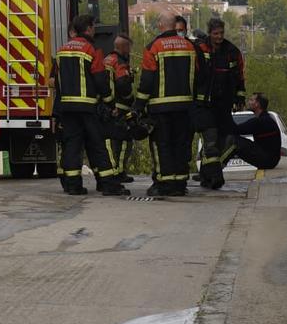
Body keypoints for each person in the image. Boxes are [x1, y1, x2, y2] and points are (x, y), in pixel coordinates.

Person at [51, 14, 128, 196]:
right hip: (87, 107)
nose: (94, 30)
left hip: (67, 108)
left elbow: (57, 83)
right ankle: (109, 184)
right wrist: (109, 103)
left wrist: (58, 110)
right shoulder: (92, 50)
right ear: (88, 28)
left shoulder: (61, 51)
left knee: (71, 145)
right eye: (93, 27)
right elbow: (100, 79)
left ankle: (72, 185)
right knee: (98, 144)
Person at [132, 12, 207, 197]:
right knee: (181, 145)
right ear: (175, 26)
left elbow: (147, 81)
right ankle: (180, 183)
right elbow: (201, 76)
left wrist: (138, 106)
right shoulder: (191, 47)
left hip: (160, 108)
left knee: (162, 145)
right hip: (186, 108)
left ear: (160, 25)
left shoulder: (153, 47)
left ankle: (164, 184)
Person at [196, 17, 246, 190]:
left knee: (225, 141)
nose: (219, 37)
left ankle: (206, 174)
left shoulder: (232, 51)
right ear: (209, 33)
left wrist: (239, 97)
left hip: (224, 103)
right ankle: (215, 176)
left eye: (221, 33)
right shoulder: (200, 48)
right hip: (205, 103)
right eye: (216, 33)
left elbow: (239, 75)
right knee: (210, 141)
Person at [103, 33, 138, 183]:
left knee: (112, 142)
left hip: (107, 108)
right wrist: (132, 100)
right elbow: (123, 85)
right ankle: (120, 172)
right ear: (123, 47)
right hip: (120, 107)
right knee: (125, 141)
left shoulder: (106, 60)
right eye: (128, 47)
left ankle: (112, 171)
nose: (129, 51)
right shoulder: (120, 63)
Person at [223, 93, 282, 170]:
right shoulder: (266, 119)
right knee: (235, 140)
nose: (248, 102)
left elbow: (235, 130)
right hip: (271, 160)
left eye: (251, 100)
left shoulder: (260, 121)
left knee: (233, 140)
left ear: (257, 104)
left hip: (267, 160)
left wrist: (226, 112)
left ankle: (216, 167)